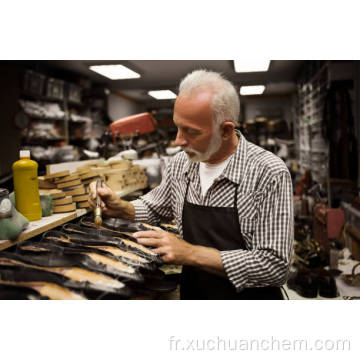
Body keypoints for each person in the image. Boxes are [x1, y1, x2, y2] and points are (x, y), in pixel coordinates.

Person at [89, 70, 294, 300]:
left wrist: (189, 253)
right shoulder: (181, 163)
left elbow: (275, 267)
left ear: (225, 130)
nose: (178, 141)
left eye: (191, 132)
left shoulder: (268, 172)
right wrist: (122, 207)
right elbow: (157, 206)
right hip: (194, 292)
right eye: (178, 127)